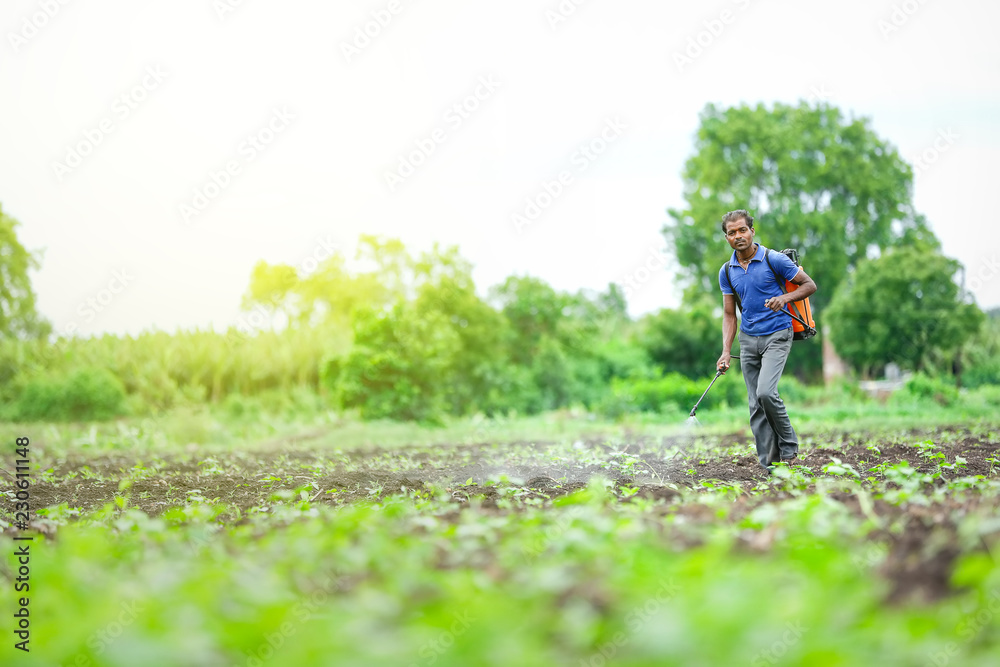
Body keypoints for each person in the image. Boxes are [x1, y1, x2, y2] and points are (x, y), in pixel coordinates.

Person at [714, 210, 817, 470]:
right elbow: (729, 314)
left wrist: (784, 298)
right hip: (748, 339)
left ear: (752, 231)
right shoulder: (727, 271)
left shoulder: (775, 259)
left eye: (742, 230)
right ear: (726, 237)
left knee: (766, 393)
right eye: (731, 233)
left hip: (778, 333)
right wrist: (726, 351)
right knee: (755, 404)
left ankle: (789, 448)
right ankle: (769, 466)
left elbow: (809, 285)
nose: (738, 236)